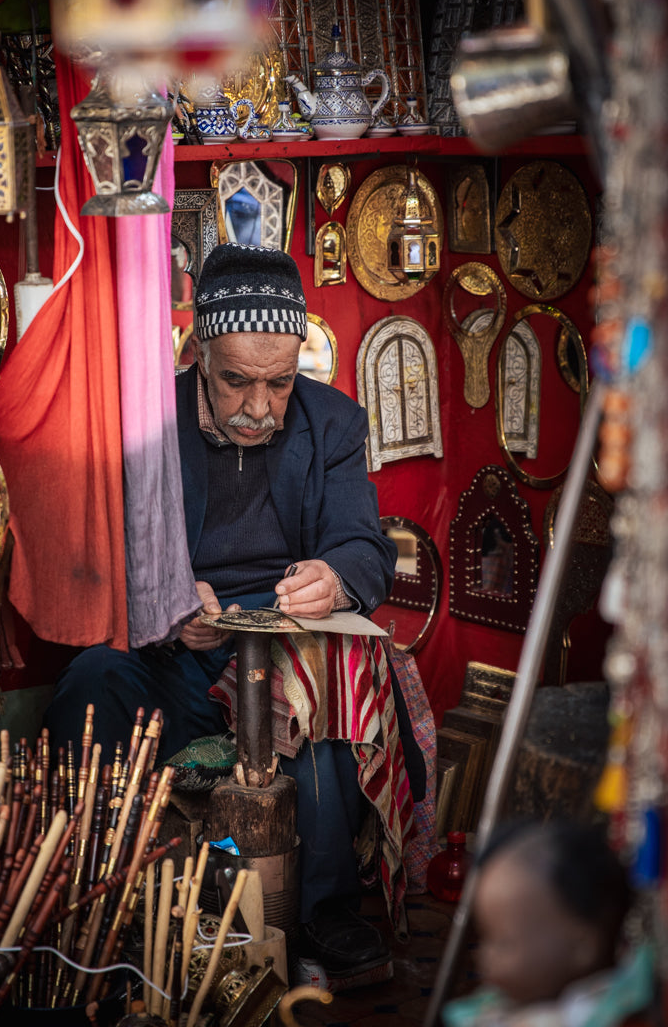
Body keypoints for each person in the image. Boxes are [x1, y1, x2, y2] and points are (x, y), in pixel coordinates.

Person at [44, 242, 413, 987]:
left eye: (278, 384)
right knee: (93, 678)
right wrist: (164, 598)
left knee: (329, 675)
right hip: (174, 651)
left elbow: (363, 546)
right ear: (198, 354)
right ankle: (89, 897)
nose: (258, 406)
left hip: (284, 647)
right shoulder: (145, 420)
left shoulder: (332, 422)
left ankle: (323, 910)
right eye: (237, 382)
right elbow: (91, 553)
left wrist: (335, 580)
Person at [443, 820, 655, 1027]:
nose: (483, 955)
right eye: (485, 938)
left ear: (582, 947)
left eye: (503, 942)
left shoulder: (606, 1016)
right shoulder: (506, 1003)